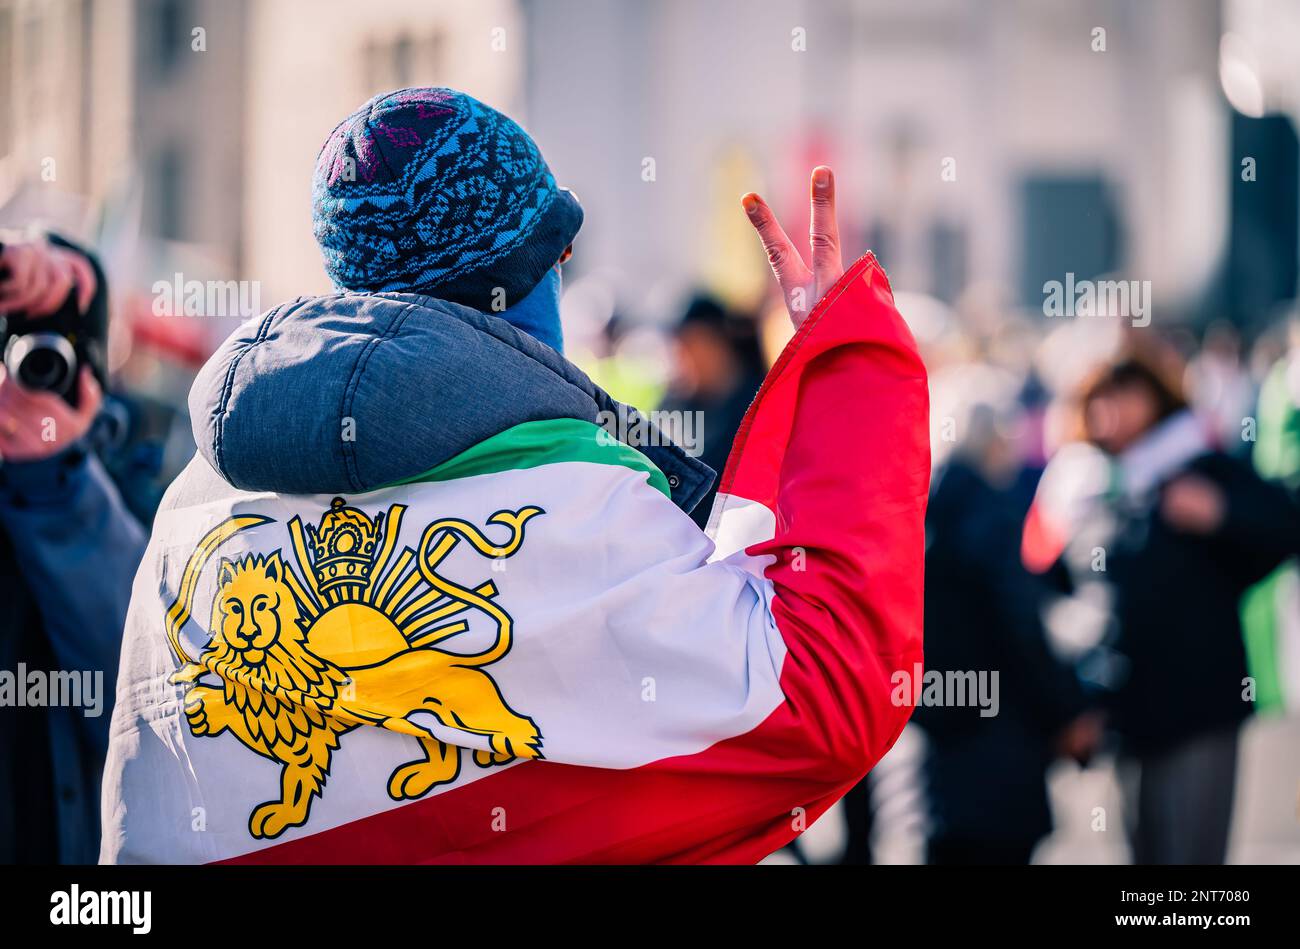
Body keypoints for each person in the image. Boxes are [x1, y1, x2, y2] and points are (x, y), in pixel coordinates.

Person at [101, 88, 928, 864]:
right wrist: (845, 363)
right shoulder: (575, 497)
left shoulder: (193, 504)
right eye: (559, 252)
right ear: (524, 277)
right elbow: (821, 698)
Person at [1024, 352, 1300, 864]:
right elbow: (1048, 595)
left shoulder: (1199, 465)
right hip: (1123, 714)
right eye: (1100, 399)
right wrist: (1074, 695)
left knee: (1189, 876)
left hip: (1198, 708)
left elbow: (1283, 526)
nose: (1113, 412)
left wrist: (1221, 513)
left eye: (1127, 395)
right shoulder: (1077, 486)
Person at [910, 365, 1101, 865]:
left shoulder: (926, 512)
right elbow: (1021, 628)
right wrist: (1068, 711)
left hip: (938, 746)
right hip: (999, 747)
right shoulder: (989, 518)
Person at [0, 234, 146, 863]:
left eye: (57, 350)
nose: (34, 375)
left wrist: (56, 480)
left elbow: (141, 692)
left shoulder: (136, 482)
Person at [661, 295, 764, 528]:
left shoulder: (757, 403)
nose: (684, 359)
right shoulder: (677, 402)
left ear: (719, 345)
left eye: (691, 346)